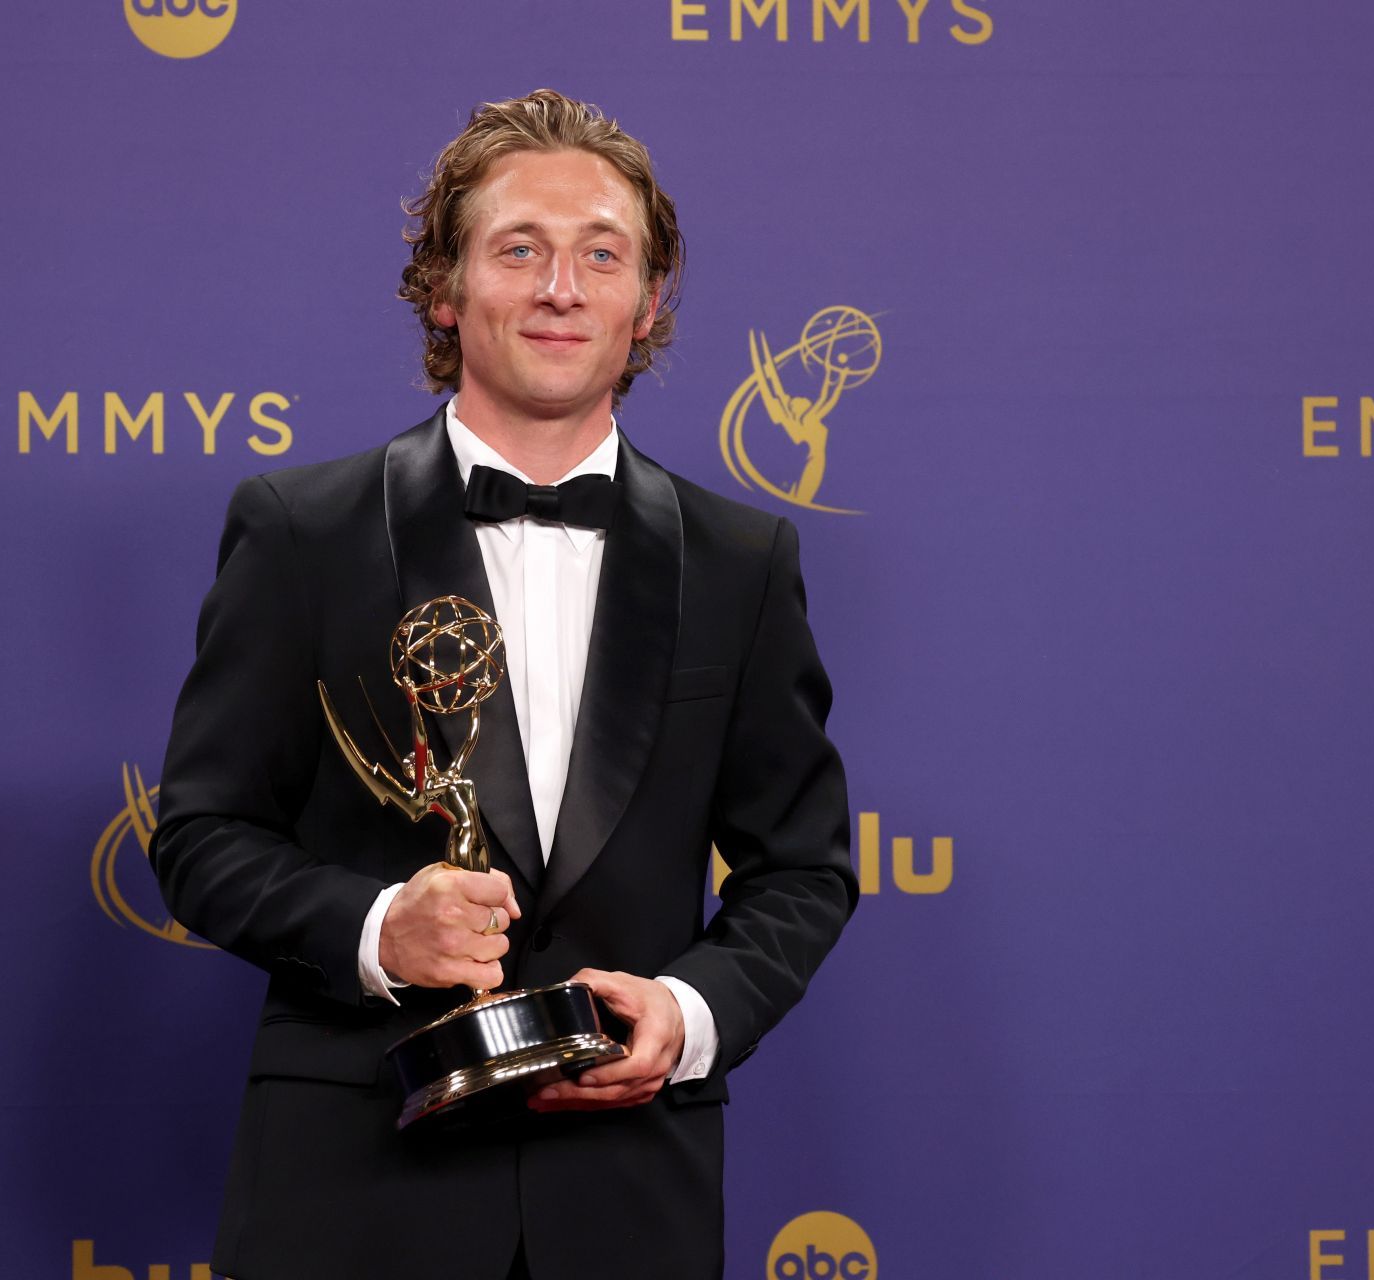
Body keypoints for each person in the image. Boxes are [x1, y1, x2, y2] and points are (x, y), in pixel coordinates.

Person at [150, 88, 856, 1280]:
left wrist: (685, 1016)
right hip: (354, 1185)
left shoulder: (743, 561)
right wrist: (379, 926)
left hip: (630, 1198)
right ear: (445, 286)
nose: (561, 286)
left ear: (648, 303)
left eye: (602, 253)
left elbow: (803, 868)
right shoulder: (302, 530)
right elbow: (201, 836)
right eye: (518, 247)